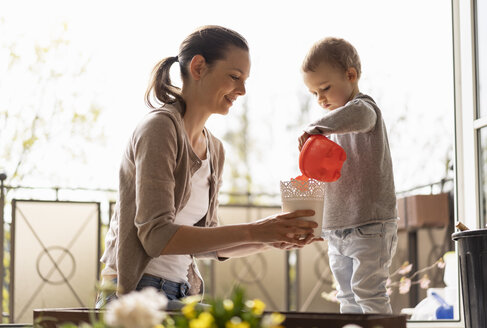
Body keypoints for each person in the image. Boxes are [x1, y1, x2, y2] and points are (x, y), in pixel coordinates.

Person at [96, 25, 320, 309]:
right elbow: (156, 236)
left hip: (180, 293)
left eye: (245, 80)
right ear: (199, 67)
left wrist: (272, 238)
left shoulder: (215, 150)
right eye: (234, 77)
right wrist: (255, 230)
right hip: (134, 296)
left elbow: (207, 239)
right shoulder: (159, 129)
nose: (242, 90)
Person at [298, 37, 398, 314]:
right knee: (347, 297)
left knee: (369, 294)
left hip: (371, 225)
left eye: (325, 88)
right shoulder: (331, 128)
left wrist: (315, 128)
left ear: (350, 75)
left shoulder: (365, 109)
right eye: (313, 93)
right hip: (338, 229)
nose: (320, 98)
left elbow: (359, 116)